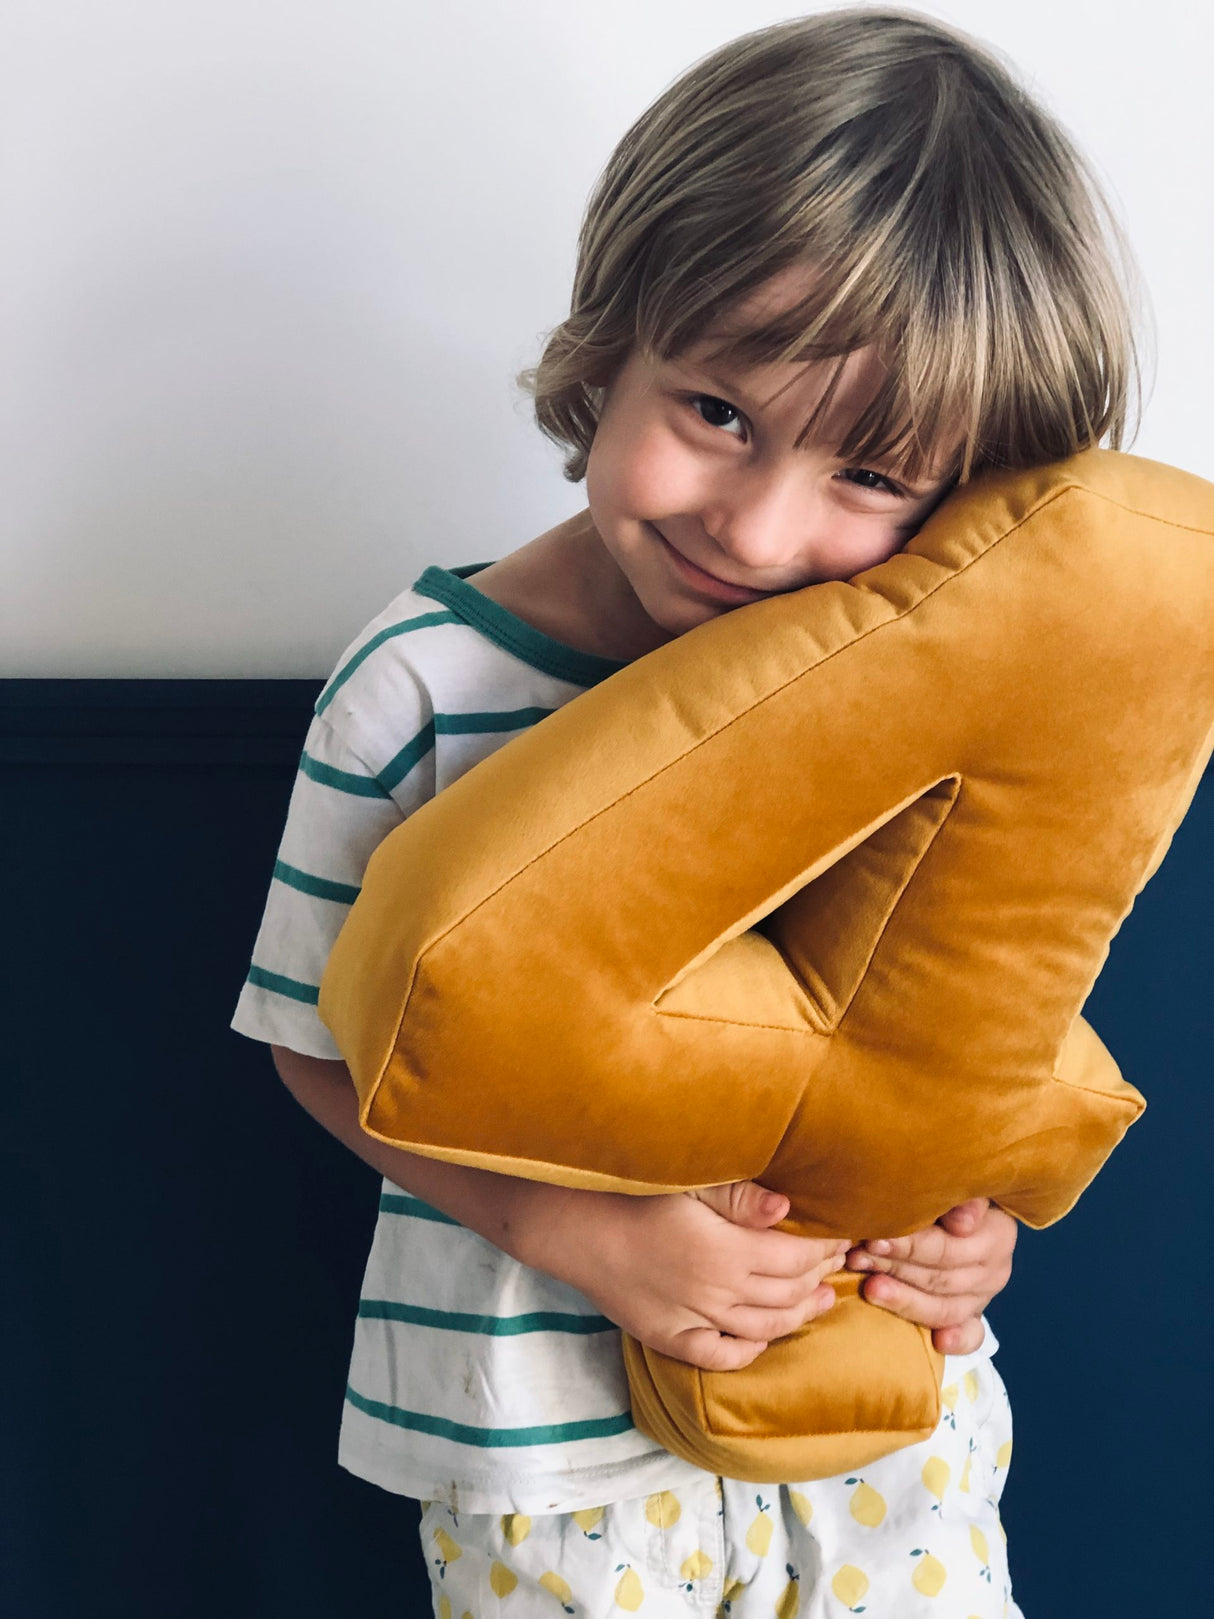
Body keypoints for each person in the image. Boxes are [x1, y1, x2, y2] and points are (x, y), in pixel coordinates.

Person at [231, 9, 1143, 1614]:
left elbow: (942, 1022)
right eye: (718, 412)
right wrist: (574, 1231)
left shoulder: (932, 705)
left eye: (874, 479)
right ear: (615, 339)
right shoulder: (422, 687)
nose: (759, 523)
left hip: (881, 1423)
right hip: (548, 1441)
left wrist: (965, 1236)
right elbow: (321, 1043)